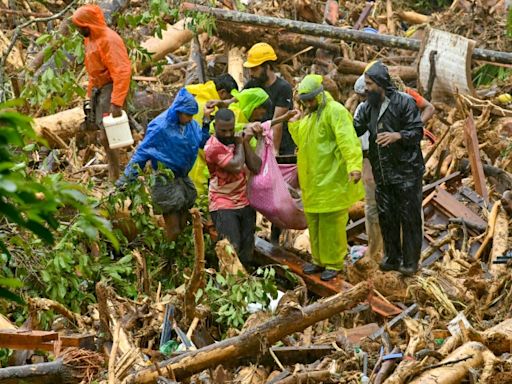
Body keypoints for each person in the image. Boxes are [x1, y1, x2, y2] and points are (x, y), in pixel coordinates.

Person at [289, 74, 364, 281]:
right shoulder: (310, 116)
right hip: (313, 181)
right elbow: (302, 143)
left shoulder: (335, 112)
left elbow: (348, 140)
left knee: (332, 224)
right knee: (314, 222)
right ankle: (319, 260)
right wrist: (294, 125)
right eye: (305, 102)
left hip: (331, 180)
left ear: (321, 95)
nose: (308, 104)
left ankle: (334, 262)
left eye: (311, 100)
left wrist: (354, 166)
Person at [353, 74, 435, 262]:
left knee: (409, 210)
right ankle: (377, 254)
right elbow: (358, 140)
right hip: (373, 164)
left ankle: (411, 256)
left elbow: (429, 108)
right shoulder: (363, 109)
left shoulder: (404, 98)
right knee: (375, 208)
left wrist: (413, 128)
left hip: (402, 165)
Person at [119, 88, 210, 241]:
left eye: (191, 116)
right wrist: (125, 181)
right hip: (164, 180)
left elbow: (202, 141)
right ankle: (167, 260)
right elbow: (142, 153)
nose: (189, 119)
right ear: (178, 111)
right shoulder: (161, 127)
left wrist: (206, 120)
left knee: (183, 224)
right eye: (187, 115)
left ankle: (176, 256)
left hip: (182, 178)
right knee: (173, 228)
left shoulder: (191, 126)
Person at [72, 5, 131, 181]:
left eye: (80, 25)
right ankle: (115, 171)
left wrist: (116, 102)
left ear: (89, 24)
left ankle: (117, 176)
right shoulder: (89, 39)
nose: (78, 29)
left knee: (109, 135)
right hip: (99, 89)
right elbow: (93, 71)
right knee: (102, 135)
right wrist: (89, 96)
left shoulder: (109, 40)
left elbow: (122, 71)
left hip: (111, 87)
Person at [243, 42, 294, 245]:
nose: (252, 73)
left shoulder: (283, 88)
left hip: (279, 146)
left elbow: (278, 123)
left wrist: (272, 153)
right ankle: (251, 232)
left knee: (277, 192)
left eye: (255, 68)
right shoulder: (251, 87)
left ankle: (275, 238)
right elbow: (242, 109)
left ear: (267, 66)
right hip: (256, 145)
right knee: (252, 189)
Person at [204, 109, 263, 266]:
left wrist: (244, 142)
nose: (228, 133)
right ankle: (226, 283)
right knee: (231, 246)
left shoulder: (237, 141)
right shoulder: (212, 147)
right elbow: (236, 166)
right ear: (215, 126)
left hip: (245, 199)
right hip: (222, 201)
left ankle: (243, 283)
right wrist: (239, 143)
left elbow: (256, 166)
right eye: (223, 130)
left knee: (247, 248)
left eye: (231, 129)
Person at [186, 74, 239, 196]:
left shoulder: (196, 100)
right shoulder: (211, 109)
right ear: (223, 92)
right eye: (229, 97)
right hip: (199, 165)